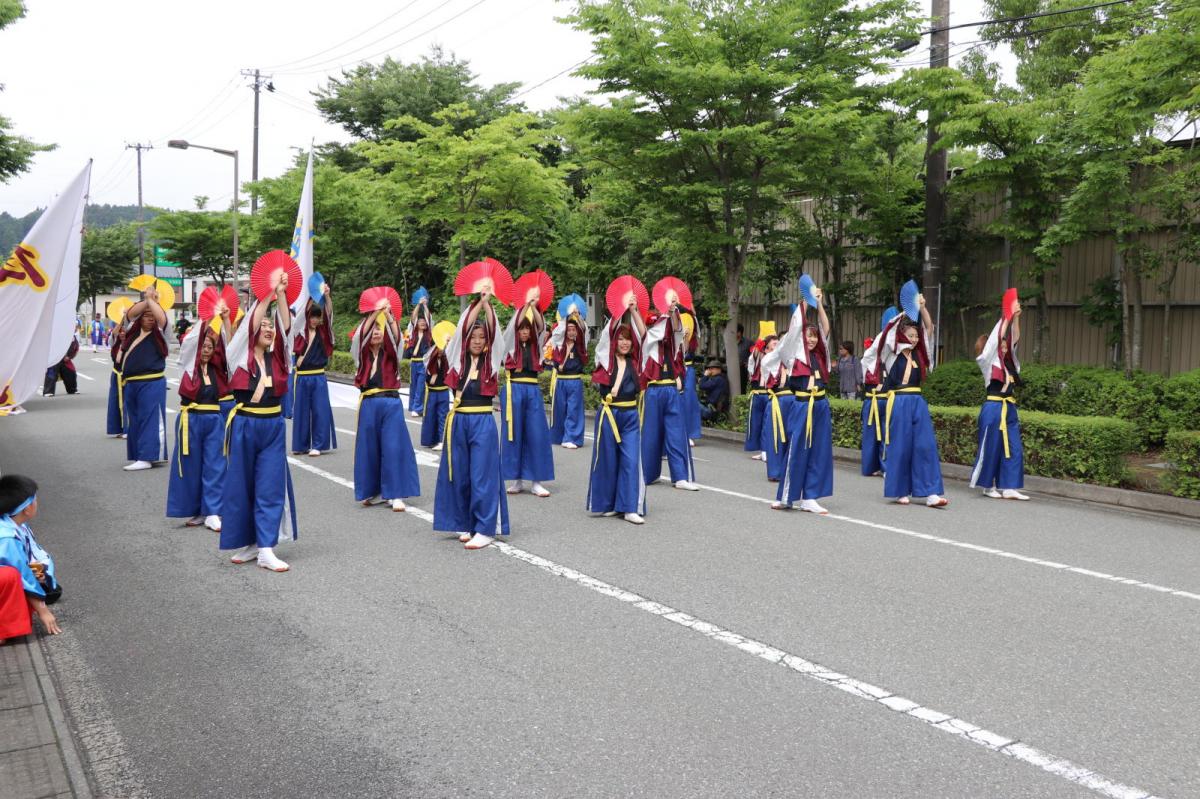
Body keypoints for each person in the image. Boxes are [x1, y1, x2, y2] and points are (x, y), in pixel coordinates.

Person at [219, 277, 297, 572]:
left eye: (271, 326)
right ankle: (250, 543)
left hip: (272, 426)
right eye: (263, 325)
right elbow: (251, 323)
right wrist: (264, 298)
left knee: (269, 486)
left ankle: (266, 547)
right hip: (244, 424)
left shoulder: (278, 357)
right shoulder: (237, 354)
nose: (268, 329)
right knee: (242, 487)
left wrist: (280, 295)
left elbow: (287, 328)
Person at [433, 290, 510, 550]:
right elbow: (464, 325)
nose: (477, 341)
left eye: (481, 338)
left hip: (483, 422)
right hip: (458, 422)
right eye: (473, 338)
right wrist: (478, 302)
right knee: (461, 475)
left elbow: (498, 335)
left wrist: (488, 305)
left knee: (481, 476)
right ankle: (465, 521)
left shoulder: (492, 362)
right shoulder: (456, 360)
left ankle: (485, 527)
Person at [764, 289, 834, 514]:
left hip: (821, 405)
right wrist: (805, 303)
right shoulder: (793, 356)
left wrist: (820, 304)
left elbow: (826, 329)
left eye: (814, 336)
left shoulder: (820, 356)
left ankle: (810, 497)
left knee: (819, 451)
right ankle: (786, 496)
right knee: (796, 450)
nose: (812, 339)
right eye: (808, 335)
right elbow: (794, 330)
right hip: (802, 405)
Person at [878, 295, 948, 507]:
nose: (915, 339)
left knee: (925, 446)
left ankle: (931, 492)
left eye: (916, 336)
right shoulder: (891, 354)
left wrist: (923, 308)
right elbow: (888, 334)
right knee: (900, 447)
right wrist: (906, 311)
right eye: (910, 335)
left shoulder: (920, 356)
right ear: (901, 336)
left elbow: (929, 329)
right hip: (898, 401)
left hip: (918, 402)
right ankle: (899, 490)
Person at [350, 302, 421, 512]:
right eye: (372, 329)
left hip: (391, 403)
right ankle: (374, 490)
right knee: (369, 449)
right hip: (369, 403)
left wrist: (387, 316)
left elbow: (398, 338)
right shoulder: (360, 355)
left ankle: (396, 493)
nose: (376, 333)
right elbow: (359, 337)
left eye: (379, 330)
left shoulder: (392, 354)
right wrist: (373, 314)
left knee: (393, 447)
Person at [587, 306, 647, 524]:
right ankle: (610, 503)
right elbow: (605, 336)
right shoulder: (604, 359)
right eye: (620, 339)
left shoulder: (637, 361)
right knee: (608, 461)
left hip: (630, 415)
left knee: (631, 461)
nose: (624, 342)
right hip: (608, 415)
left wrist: (635, 311)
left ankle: (629, 507)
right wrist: (619, 310)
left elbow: (645, 337)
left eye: (627, 339)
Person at [166, 324, 228, 531]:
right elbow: (189, 345)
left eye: (210, 347)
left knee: (215, 466)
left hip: (213, 419)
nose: (206, 350)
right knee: (191, 467)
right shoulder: (187, 366)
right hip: (190, 418)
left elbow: (229, 348)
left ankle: (212, 512)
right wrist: (204, 321)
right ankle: (198, 511)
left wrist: (223, 320)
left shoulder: (217, 369)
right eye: (203, 346)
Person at [970, 301, 1030, 500]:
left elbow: (1015, 339)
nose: (1004, 348)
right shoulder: (986, 363)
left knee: (1014, 447)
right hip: (993, 407)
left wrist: (1016, 317)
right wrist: (1006, 315)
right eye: (1001, 346)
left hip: (1009, 407)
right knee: (991, 447)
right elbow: (996, 340)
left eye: (1005, 346)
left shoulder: (1010, 364)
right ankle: (987, 486)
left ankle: (1010, 486)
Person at [640, 303, 698, 491]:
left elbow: (677, 330)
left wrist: (673, 310)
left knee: (676, 433)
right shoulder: (648, 343)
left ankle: (680, 476)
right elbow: (643, 331)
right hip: (654, 390)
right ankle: (648, 473)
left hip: (671, 390)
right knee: (650, 434)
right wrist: (633, 311)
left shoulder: (673, 346)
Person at [500, 300, 554, 497]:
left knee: (536, 434)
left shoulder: (537, 345)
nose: (524, 332)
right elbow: (512, 326)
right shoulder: (510, 345)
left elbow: (541, 326)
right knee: (514, 434)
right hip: (513, 388)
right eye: (521, 329)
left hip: (532, 390)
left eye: (527, 329)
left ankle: (536, 481)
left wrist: (532, 306)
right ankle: (516, 480)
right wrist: (523, 308)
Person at [0, 475, 62, 644]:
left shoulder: (13, 523)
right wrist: (43, 611)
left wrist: (40, 572)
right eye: (35, 499)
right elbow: (22, 575)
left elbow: (31, 556)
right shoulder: (7, 537)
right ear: (27, 509)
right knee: (11, 576)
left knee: (43, 583)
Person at [120, 287, 170, 471]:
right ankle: (138, 454)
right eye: (146, 314)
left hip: (152, 380)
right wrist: (146, 299)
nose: (150, 317)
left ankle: (148, 456)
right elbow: (130, 314)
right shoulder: (132, 330)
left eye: (152, 315)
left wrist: (152, 301)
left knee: (150, 418)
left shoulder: (161, 331)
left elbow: (162, 317)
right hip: (131, 382)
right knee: (134, 420)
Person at [290, 285, 337, 457]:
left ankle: (318, 444)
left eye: (318, 317)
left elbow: (329, 314)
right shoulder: (299, 332)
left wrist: (326, 296)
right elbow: (300, 315)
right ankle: (301, 445)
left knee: (320, 410)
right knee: (301, 411)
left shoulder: (323, 333)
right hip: (302, 377)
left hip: (318, 376)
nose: (315, 320)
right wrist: (311, 296)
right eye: (313, 317)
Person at [549, 311, 587, 450]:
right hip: (560, 381)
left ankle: (572, 437)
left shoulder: (581, 345)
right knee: (559, 409)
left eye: (573, 329)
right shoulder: (559, 343)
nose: (571, 332)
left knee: (573, 409)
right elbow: (557, 332)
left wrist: (578, 317)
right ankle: (558, 436)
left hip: (574, 381)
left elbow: (584, 330)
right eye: (569, 329)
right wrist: (566, 316)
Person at [759, 337, 793, 483]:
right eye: (774, 343)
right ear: (767, 349)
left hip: (794, 400)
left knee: (792, 436)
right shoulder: (768, 360)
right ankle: (775, 471)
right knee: (776, 436)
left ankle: (790, 469)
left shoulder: (790, 360)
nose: (778, 345)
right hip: (778, 401)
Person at [420, 323, 453, 452]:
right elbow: (426, 361)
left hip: (443, 391)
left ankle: (441, 440)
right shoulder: (430, 355)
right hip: (431, 392)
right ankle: (430, 440)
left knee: (442, 416)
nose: (441, 350)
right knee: (430, 416)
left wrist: (449, 344)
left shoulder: (448, 357)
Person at [859, 336, 886, 477]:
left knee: (886, 435)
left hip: (887, 400)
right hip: (871, 399)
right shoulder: (867, 360)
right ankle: (871, 466)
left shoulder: (889, 359)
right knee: (870, 435)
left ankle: (886, 467)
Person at [744, 332, 770, 462]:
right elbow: (755, 353)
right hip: (757, 393)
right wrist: (762, 338)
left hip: (770, 394)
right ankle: (761, 449)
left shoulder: (777, 358)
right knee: (756, 423)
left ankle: (767, 450)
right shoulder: (756, 358)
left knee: (768, 424)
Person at [404, 301, 433, 417]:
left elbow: (429, 317)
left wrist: (425, 305)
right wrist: (418, 305)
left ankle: (418, 408)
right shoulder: (413, 333)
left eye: (424, 322)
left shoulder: (429, 334)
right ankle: (413, 406)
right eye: (420, 321)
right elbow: (413, 317)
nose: (422, 323)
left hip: (423, 362)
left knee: (421, 385)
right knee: (414, 385)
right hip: (414, 362)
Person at [680, 313, 703, 445]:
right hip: (676, 370)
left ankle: (689, 433)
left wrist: (686, 337)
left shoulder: (693, 337)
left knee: (689, 400)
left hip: (688, 370)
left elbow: (686, 352)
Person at [106, 326, 126, 437]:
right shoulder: (115, 343)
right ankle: (118, 429)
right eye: (120, 331)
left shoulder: (132, 341)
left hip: (128, 375)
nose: (122, 333)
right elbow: (113, 334)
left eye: (124, 331)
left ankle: (128, 429)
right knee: (115, 402)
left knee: (127, 403)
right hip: (116, 374)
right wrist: (122, 319)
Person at [736, 323, 752, 394]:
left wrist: (747, 363)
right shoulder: (730, 343)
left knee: (742, 389)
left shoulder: (748, 343)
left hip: (743, 370)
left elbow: (754, 355)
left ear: (739, 332)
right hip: (731, 369)